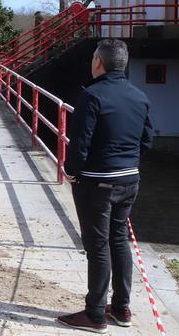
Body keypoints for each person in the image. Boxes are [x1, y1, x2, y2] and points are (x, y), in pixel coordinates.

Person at [57, 39, 153, 333]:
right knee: (119, 241)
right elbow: (147, 141)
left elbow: (80, 143)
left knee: (98, 246)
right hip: (129, 180)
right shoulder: (140, 97)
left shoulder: (92, 96)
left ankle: (95, 314)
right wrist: (126, 164)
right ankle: (122, 308)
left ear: (98, 62)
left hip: (98, 182)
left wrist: (71, 171)